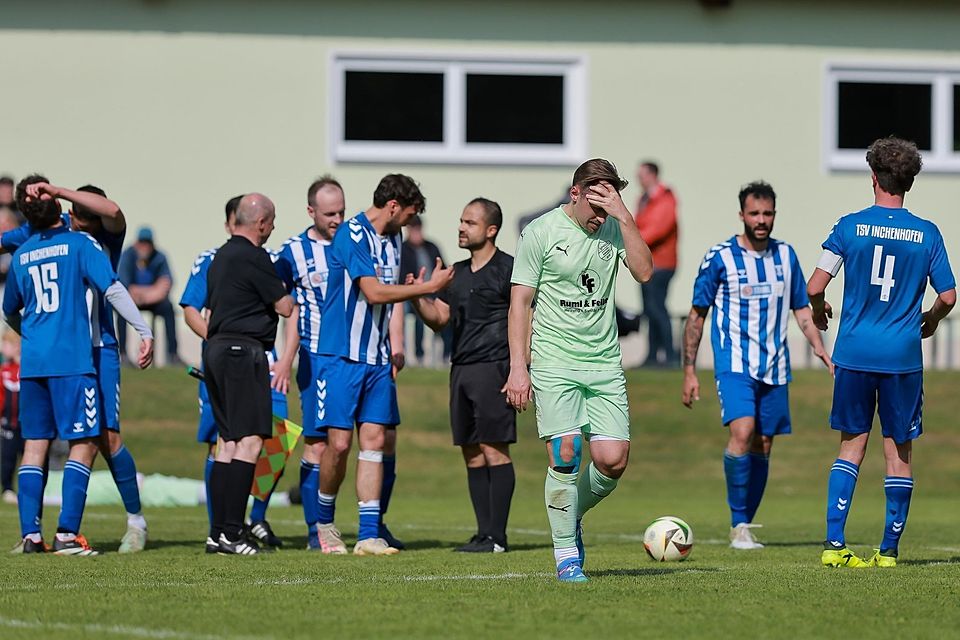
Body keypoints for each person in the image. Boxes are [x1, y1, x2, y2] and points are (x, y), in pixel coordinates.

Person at [808, 137, 956, 568]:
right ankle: (888, 552)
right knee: (899, 452)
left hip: (854, 353)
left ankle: (834, 548)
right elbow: (947, 295)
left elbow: (815, 285)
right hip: (902, 358)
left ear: (872, 177)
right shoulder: (927, 233)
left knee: (850, 447)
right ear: (908, 182)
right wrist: (930, 320)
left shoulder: (849, 226)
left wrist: (819, 311)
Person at [504, 158, 654, 583]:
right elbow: (520, 303)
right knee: (565, 454)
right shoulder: (541, 232)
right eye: (596, 206)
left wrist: (624, 217)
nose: (600, 217)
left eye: (609, 205)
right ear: (575, 193)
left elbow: (644, 272)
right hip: (554, 360)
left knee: (613, 460)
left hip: (604, 362)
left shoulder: (615, 226)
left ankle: (568, 514)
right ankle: (566, 554)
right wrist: (519, 368)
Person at [1, 180, 154, 553]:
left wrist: (56, 192)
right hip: (70, 353)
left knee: (106, 437)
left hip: (97, 350)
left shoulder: (105, 235)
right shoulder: (65, 235)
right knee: (81, 441)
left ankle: (135, 521)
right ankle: (61, 534)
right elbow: (14, 235)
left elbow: (114, 212)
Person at [681, 180, 834, 551]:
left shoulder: (786, 256)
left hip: (775, 365)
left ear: (774, 215)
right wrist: (688, 371)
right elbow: (697, 316)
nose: (761, 220)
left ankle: (744, 525)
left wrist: (818, 347)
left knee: (764, 444)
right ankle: (737, 524)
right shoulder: (720, 257)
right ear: (742, 215)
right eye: (754, 213)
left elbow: (801, 309)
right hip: (734, 363)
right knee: (743, 432)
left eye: (767, 214)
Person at [316, 174, 452, 556]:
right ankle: (324, 523)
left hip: (377, 359)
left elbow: (391, 298)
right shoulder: (352, 234)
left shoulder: (393, 238)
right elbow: (374, 292)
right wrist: (426, 288)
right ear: (393, 206)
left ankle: (368, 535)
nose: (410, 223)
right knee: (339, 445)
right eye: (409, 214)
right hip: (341, 356)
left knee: (375, 442)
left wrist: (396, 343)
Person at [179, 195, 289, 553]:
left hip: (216, 350)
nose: (272, 229)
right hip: (244, 352)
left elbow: (201, 307)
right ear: (260, 223)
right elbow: (284, 306)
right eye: (271, 222)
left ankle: (217, 532)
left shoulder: (219, 257)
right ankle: (232, 532)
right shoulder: (255, 257)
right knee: (252, 440)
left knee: (226, 441)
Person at [408, 197, 516, 553]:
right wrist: (418, 296)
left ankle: (497, 538)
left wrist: (520, 368)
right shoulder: (456, 273)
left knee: (493, 449)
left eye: (469, 222)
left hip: (494, 368)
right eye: (461, 221)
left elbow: (525, 319)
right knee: (471, 451)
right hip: (462, 369)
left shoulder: (508, 270)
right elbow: (440, 320)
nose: (461, 227)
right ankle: (483, 533)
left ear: (491, 230)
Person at [272, 176, 345, 550]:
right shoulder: (292, 252)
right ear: (311, 211)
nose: (337, 219)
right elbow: (282, 306)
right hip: (317, 358)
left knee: (371, 440)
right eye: (329, 213)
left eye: (341, 212)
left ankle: (373, 526)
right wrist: (283, 359)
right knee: (318, 444)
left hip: (358, 361)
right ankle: (315, 529)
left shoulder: (354, 242)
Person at [634, 161, 679, 367]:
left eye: (642, 175)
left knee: (658, 308)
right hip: (646, 263)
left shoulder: (665, 199)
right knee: (649, 310)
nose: (639, 179)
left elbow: (658, 228)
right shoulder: (644, 199)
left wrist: (633, 240)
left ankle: (669, 356)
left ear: (652, 175)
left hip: (662, 264)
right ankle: (652, 356)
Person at [118, 227, 180, 366]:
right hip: (132, 300)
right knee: (121, 309)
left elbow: (166, 284)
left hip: (153, 301)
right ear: (136, 243)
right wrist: (152, 291)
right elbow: (123, 287)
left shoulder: (159, 257)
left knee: (168, 307)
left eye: (148, 243)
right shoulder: (128, 255)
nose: (145, 246)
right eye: (142, 242)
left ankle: (173, 354)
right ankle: (123, 354)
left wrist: (143, 294)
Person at [401, 216, 451, 363]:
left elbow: (443, 269)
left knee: (448, 314)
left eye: (419, 229)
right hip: (412, 295)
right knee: (414, 315)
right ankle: (417, 355)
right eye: (413, 230)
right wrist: (418, 290)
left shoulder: (432, 247)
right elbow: (403, 278)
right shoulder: (403, 249)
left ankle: (446, 354)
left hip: (435, 293)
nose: (417, 233)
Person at [0, 329, 22, 504]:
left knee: (30, 458)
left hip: (26, 425)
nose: (2, 348)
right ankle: (7, 488)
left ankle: (29, 490)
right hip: (8, 425)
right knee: (7, 458)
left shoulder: (26, 369)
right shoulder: (4, 370)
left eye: (5, 344)